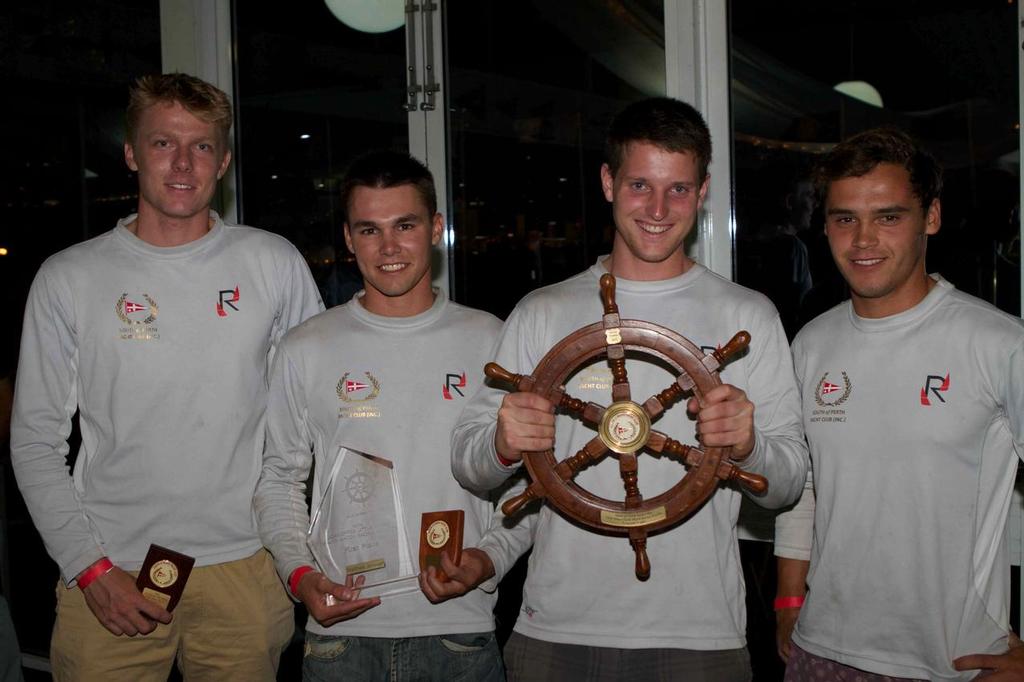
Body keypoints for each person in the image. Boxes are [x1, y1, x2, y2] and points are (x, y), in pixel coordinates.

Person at [452, 96, 809, 681]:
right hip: (554, 629)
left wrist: (749, 447)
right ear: (608, 182)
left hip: (701, 635)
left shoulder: (751, 314)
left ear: (704, 190)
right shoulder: (542, 312)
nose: (659, 208)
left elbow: (788, 483)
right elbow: (470, 467)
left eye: (679, 189)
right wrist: (501, 442)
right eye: (641, 184)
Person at [10, 73, 323, 681]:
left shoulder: (272, 262)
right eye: (162, 143)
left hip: (246, 568)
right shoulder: (68, 276)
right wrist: (88, 567)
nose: (183, 162)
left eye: (201, 146)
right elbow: (33, 440)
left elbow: (316, 416)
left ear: (224, 160)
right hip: (110, 569)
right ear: (130, 153)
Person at [773, 127, 1024, 681]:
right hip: (820, 651)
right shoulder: (811, 343)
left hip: (950, 662)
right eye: (844, 219)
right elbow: (807, 481)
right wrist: (790, 600)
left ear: (930, 216)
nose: (863, 240)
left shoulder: (999, 343)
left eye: (888, 217)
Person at [254, 150, 512, 681]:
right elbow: (278, 479)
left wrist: (488, 560)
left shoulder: (491, 339)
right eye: (369, 230)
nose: (389, 247)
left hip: (459, 632)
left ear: (436, 229)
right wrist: (300, 576)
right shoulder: (306, 346)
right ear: (349, 239)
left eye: (405, 225)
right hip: (341, 638)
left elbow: (527, 484)